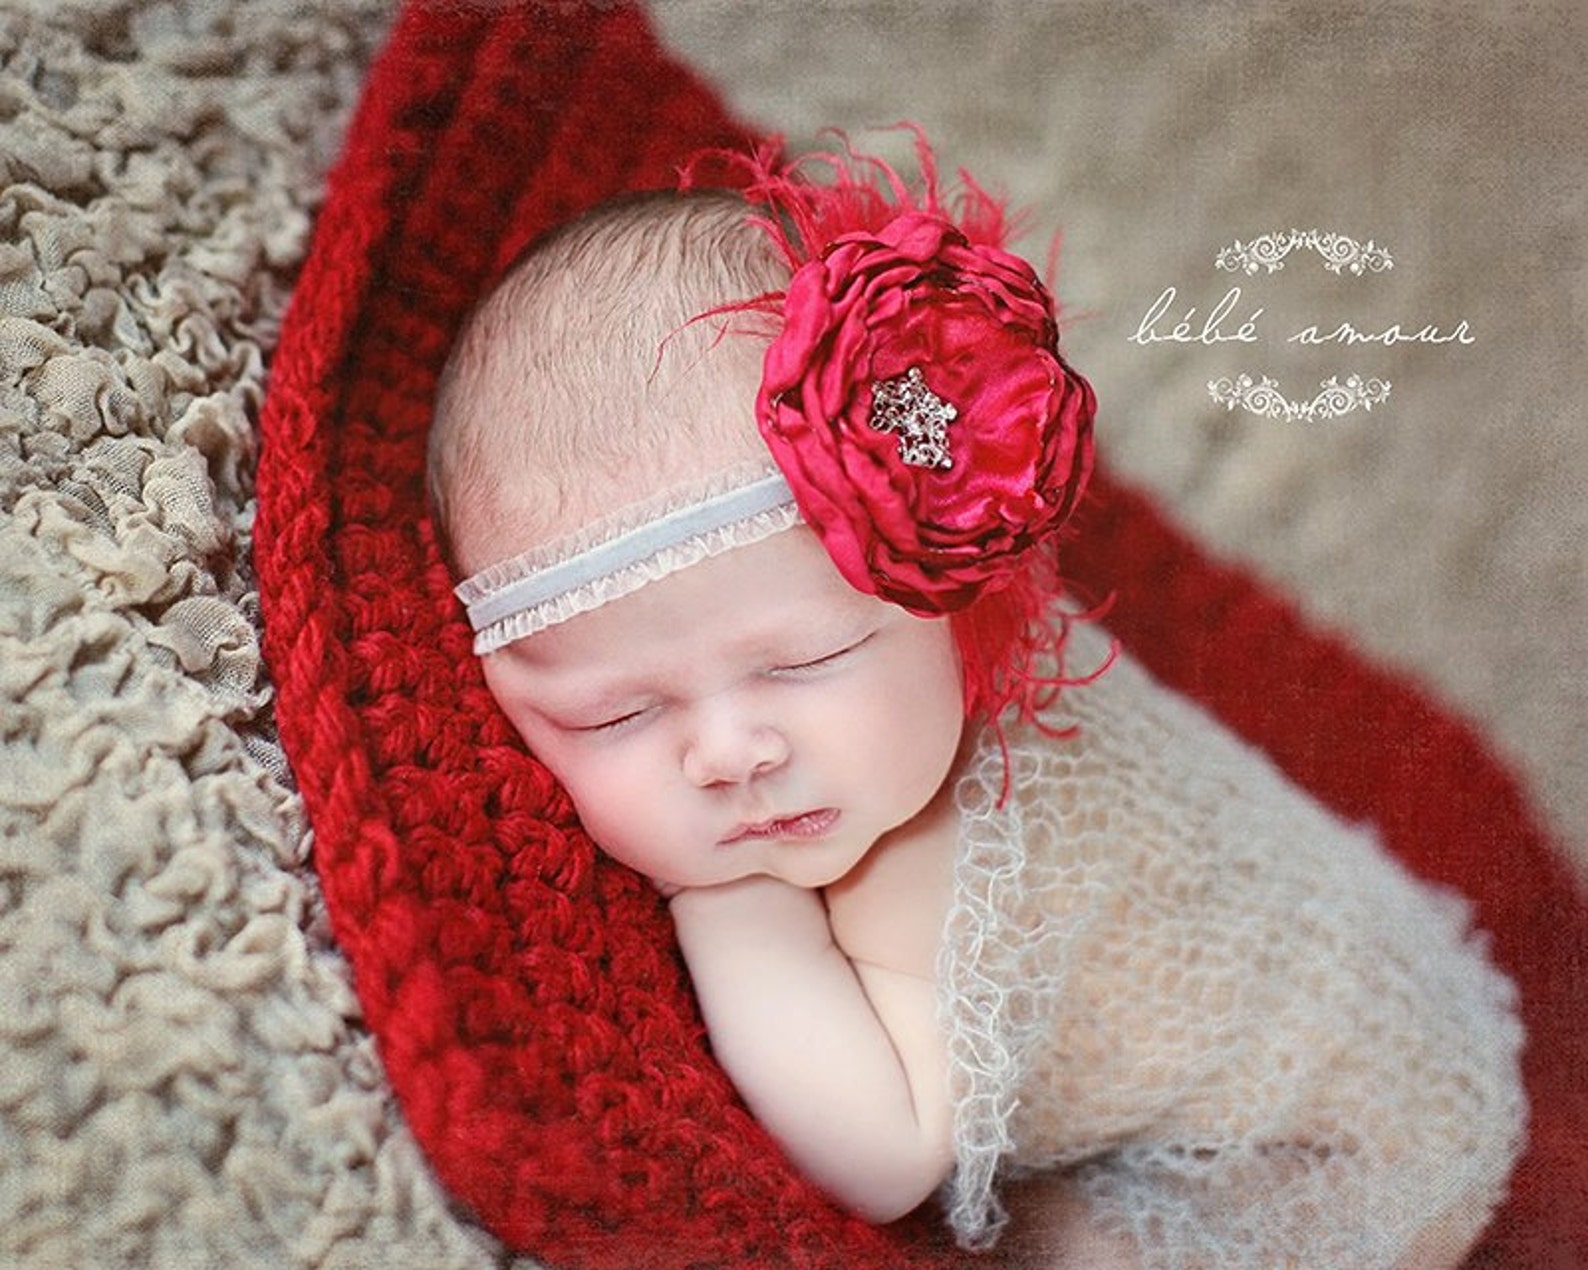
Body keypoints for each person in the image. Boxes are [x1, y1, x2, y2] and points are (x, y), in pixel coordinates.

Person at [425, 135, 1525, 1268]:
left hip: (1335, 1146)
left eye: (803, 660)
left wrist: (727, 908)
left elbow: (883, 1152)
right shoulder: (879, 718)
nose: (729, 750)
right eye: (614, 715)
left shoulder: (941, 857)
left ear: (953, 599)